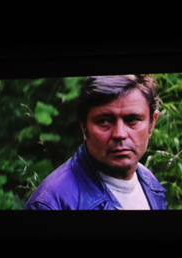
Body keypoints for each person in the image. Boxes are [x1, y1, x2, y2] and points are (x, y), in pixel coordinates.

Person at [24, 75, 167, 210]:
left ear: (152, 123)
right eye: (104, 121)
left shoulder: (151, 184)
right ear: (84, 127)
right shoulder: (52, 203)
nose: (120, 134)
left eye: (132, 120)